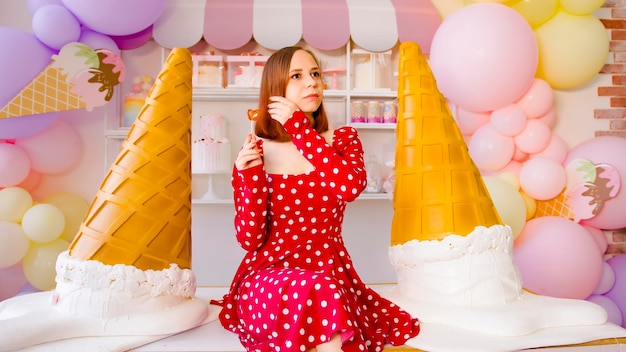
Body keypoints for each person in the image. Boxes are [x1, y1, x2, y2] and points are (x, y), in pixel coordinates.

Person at [213, 46, 420, 351]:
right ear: (275, 90)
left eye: (315, 74)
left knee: (320, 292)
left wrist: (299, 127)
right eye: (297, 76)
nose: (311, 82)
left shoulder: (343, 140)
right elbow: (250, 239)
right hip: (267, 277)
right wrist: (250, 178)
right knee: (317, 294)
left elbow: (349, 187)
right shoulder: (256, 149)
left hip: (327, 273)